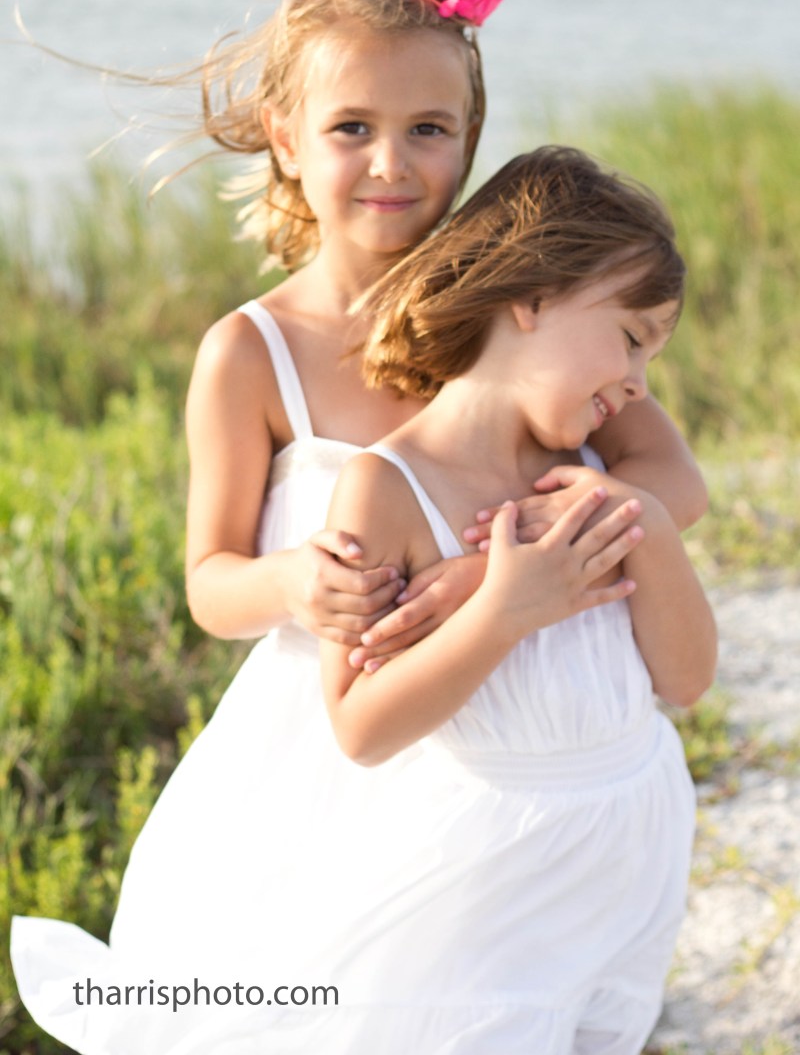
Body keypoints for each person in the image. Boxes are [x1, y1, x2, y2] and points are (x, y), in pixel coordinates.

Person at [11, 0, 706, 1054]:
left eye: (428, 129)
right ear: (285, 137)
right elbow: (210, 583)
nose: (391, 163)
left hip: (500, 753)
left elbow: (669, 476)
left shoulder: (516, 311)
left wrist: (503, 560)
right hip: (334, 750)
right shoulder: (252, 353)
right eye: (351, 129)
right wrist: (293, 581)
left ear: (468, 136)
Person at [173, 146, 714, 1055]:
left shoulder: (599, 469)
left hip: (628, 850)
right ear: (532, 298)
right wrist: (502, 609)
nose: (639, 382)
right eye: (631, 338)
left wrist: (644, 522)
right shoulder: (385, 490)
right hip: (489, 874)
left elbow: (689, 679)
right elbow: (363, 728)